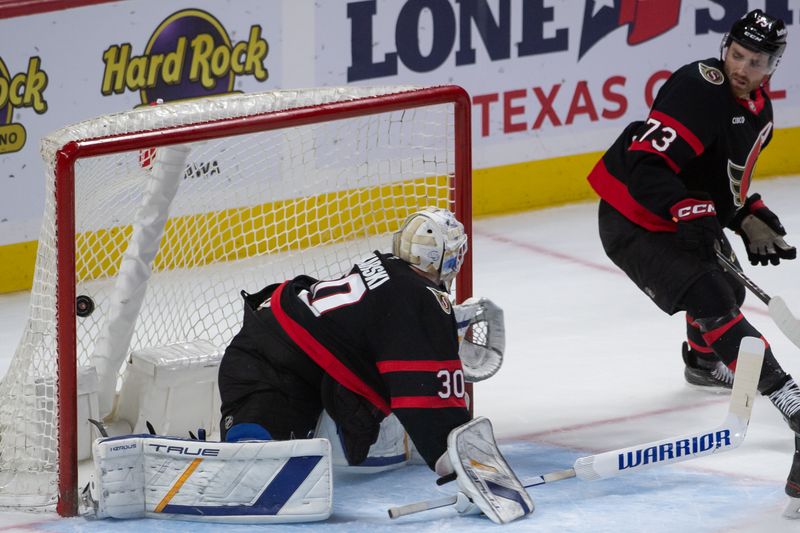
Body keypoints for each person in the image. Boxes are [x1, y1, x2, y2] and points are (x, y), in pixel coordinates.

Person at [586, 9, 800, 515]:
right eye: (738, 55)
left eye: (757, 61)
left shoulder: (759, 114)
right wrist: (687, 206)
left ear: (774, 65)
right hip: (632, 218)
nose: (743, 68)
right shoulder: (698, 86)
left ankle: (703, 360)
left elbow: (721, 185)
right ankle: (788, 399)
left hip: (677, 214)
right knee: (709, 295)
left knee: (730, 292)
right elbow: (645, 165)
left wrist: (748, 215)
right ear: (726, 47)